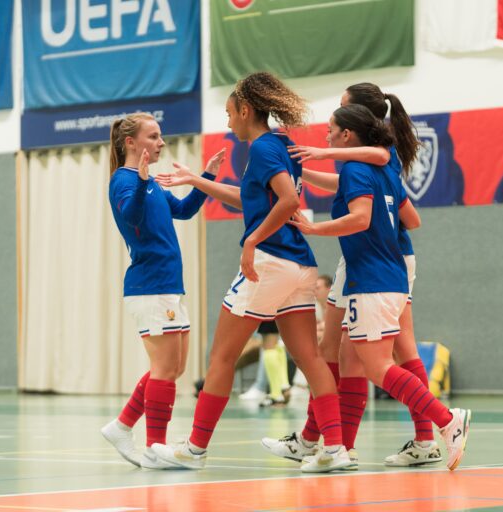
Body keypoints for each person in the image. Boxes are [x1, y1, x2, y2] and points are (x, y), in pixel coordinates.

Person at [150, 72, 350, 473]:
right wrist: (196, 180)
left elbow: (289, 198)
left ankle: (195, 449)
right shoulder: (280, 143)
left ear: (245, 110)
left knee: (221, 357)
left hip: (270, 262)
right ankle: (336, 449)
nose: (227, 122)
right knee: (310, 358)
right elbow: (251, 200)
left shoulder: (261, 148)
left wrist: (251, 241)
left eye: (228, 113)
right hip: (301, 264)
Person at [263, 84, 448, 468]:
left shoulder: (373, 154)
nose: (331, 120)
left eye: (341, 109)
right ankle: (344, 442)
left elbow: (376, 177)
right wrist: (305, 169)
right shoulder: (365, 162)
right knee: (368, 354)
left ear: (355, 122)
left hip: (374, 261)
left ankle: (327, 441)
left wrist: (322, 156)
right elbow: (410, 217)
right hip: (390, 258)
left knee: (342, 354)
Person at [100, 113, 223, 469]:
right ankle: (155, 447)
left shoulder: (151, 183)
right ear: (131, 143)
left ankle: (122, 426)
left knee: (173, 367)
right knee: (165, 368)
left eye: (160, 136)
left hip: (168, 286)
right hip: (149, 286)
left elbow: (183, 210)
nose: (161, 143)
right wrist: (140, 182)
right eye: (153, 136)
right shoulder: (123, 182)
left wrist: (207, 176)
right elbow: (132, 216)